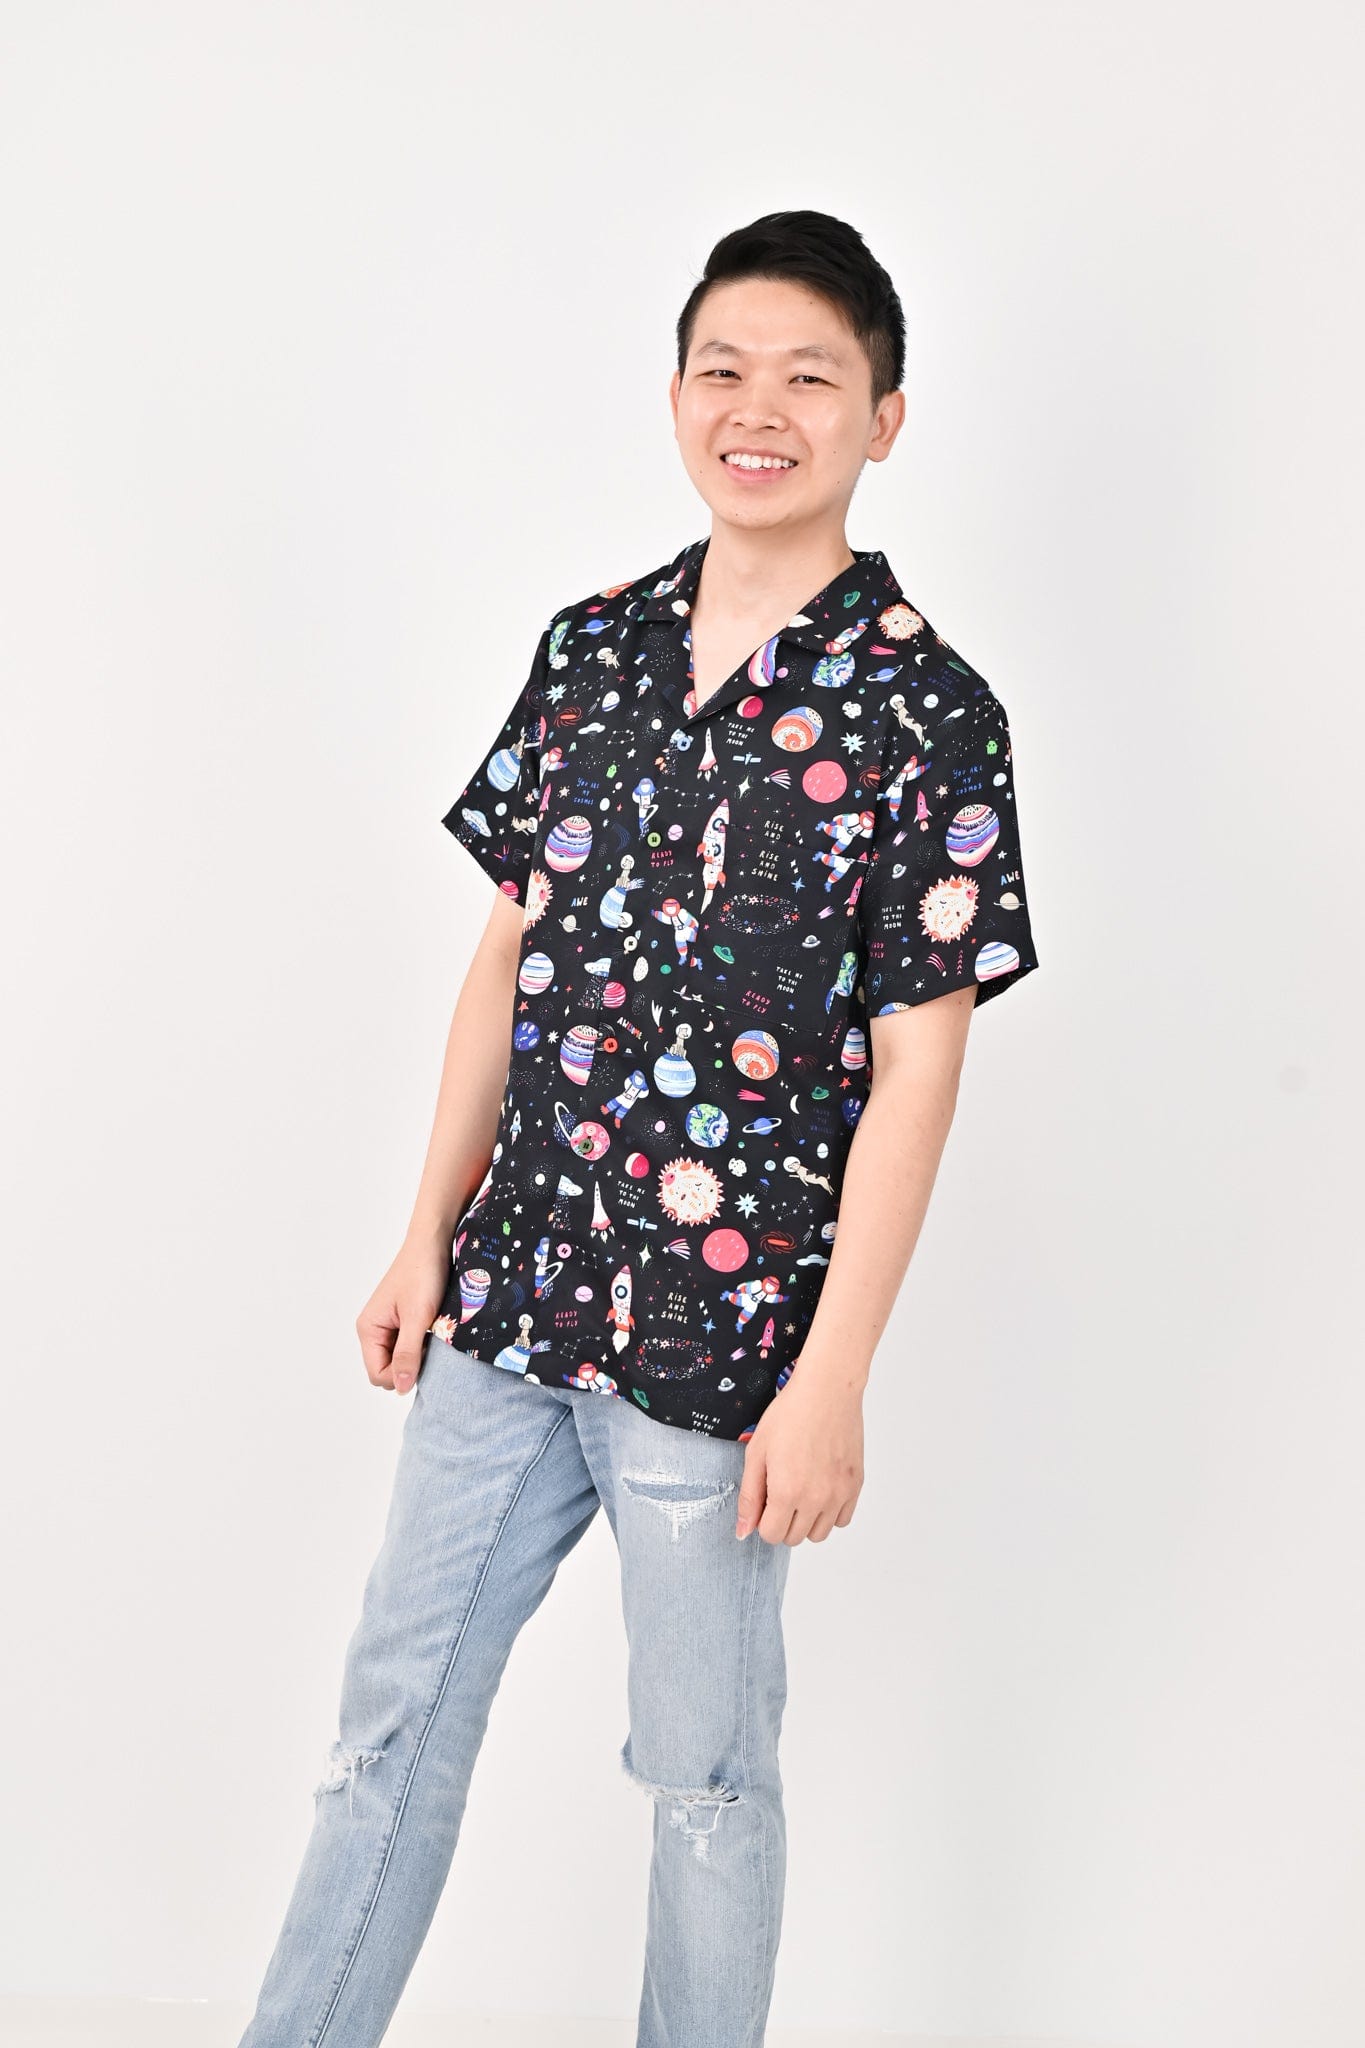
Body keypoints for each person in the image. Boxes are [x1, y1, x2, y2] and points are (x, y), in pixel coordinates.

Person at [238, 208, 1040, 2047]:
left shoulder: (928, 711)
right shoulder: (589, 648)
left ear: (882, 419)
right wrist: (423, 1235)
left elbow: (918, 1071)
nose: (758, 409)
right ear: (676, 394)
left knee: (703, 1780)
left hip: (719, 1344)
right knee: (386, 1731)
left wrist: (830, 1381)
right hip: (508, 1300)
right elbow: (503, 957)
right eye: (722, 369)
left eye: (809, 378)